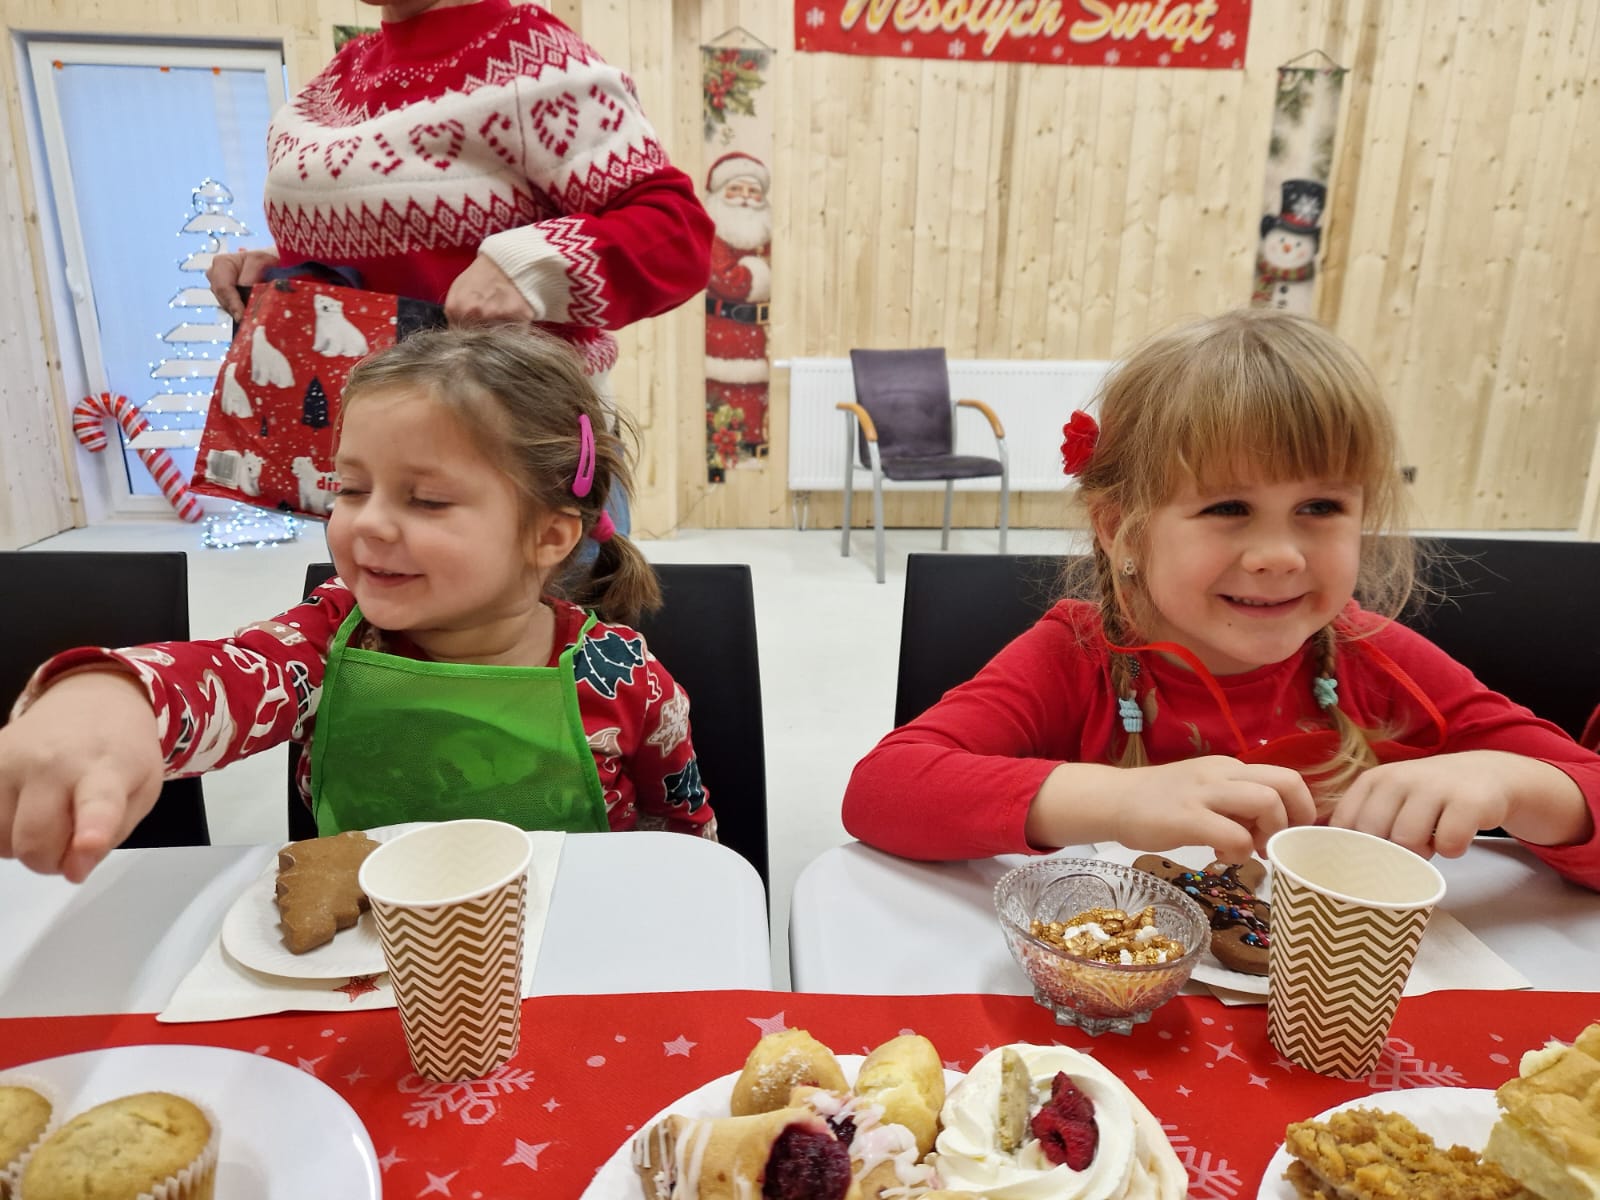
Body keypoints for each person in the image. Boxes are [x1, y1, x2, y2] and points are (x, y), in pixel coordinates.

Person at [842, 309, 1600, 890]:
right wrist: (1117, 801)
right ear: (1119, 527)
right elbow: (883, 791)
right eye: (1228, 508)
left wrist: (1514, 783)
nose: (1280, 554)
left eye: (1321, 507)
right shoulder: (1077, 657)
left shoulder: (1377, 658)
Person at [0, 327, 713, 883]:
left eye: (425, 499)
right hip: (364, 972)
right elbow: (225, 676)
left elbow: (684, 840)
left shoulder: (624, 679)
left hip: (570, 964)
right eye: (350, 489)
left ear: (549, 535)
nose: (367, 523)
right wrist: (114, 699)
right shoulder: (329, 640)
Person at [206, 0, 716, 533]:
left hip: (511, 468)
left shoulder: (529, 55)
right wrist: (282, 269)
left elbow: (677, 236)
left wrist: (528, 265)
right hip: (365, 462)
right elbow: (399, 245)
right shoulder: (340, 78)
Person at [703, 151, 774, 459]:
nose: (745, 198)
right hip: (721, 337)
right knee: (724, 405)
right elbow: (729, 281)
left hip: (757, 340)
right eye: (736, 189)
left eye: (752, 191)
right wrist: (757, 273)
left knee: (756, 403)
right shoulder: (714, 238)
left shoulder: (765, 237)